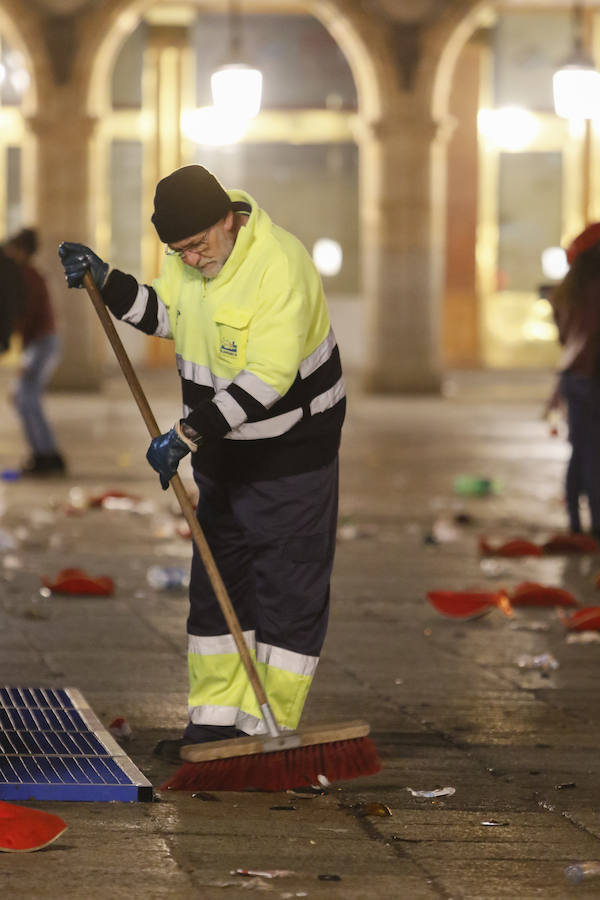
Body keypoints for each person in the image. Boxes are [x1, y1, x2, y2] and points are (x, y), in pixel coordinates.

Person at [58, 165, 345, 760]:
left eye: (197, 245)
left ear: (228, 220)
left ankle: (266, 729)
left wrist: (186, 434)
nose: (189, 259)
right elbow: (169, 315)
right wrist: (108, 282)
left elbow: (268, 378)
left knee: (286, 587)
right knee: (219, 583)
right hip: (225, 451)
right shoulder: (192, 260)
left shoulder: (279, 265)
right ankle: (214, 726)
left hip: (291, 450)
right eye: (177, 250)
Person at [549, 221, 600, 538]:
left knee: (580, 450)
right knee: (594, 453)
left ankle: (574, 521)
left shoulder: (567, 290)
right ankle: (596, 523)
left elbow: (564, 336)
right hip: (594, 376)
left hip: (573, 377)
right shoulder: (596, 289)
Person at [4, 228, 66, 476]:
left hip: (41, 343)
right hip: (40, 343)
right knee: (24, 398)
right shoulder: (29, 274)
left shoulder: (25, 276)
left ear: (21, 251)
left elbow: (24, 315)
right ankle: (44, 453)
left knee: (26, 399)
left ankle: (47, 455)